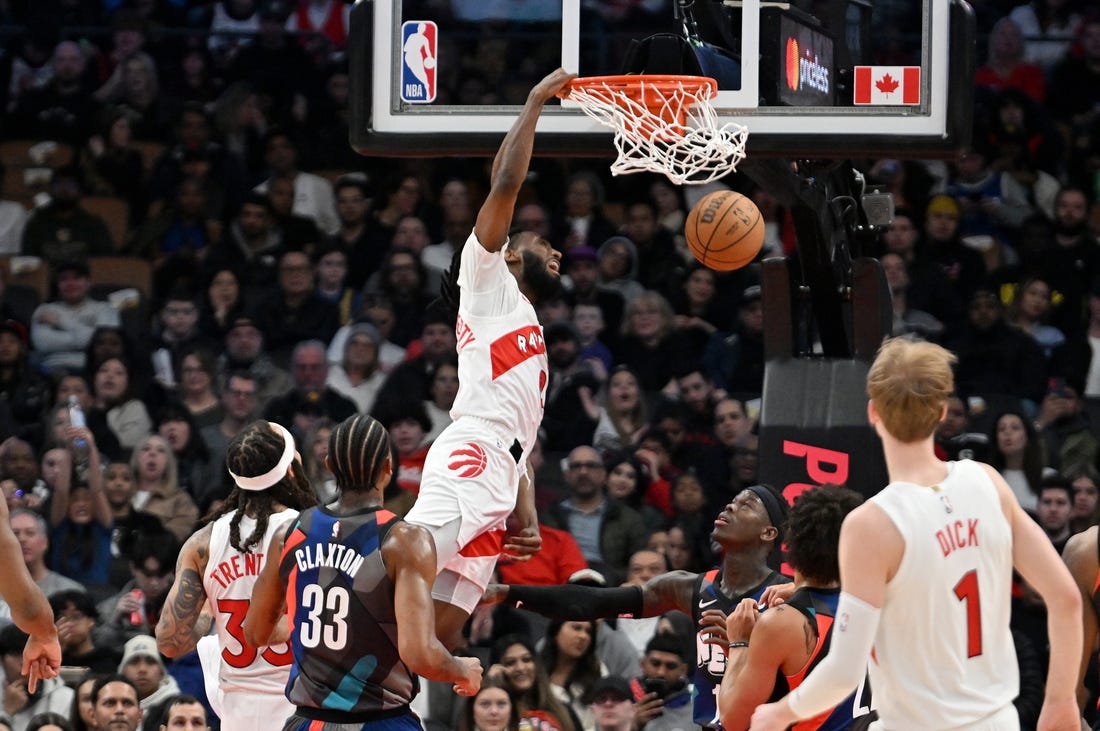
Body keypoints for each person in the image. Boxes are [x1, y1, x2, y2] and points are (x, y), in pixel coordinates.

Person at [749, 338, 1082, 731]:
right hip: (998, 720)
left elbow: (844, 671)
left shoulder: (872, 523)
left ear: (873, 412)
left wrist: (778, 713)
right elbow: (1066, 599)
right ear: (942, 412)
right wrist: (1061, 701)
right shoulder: (987, 482)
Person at [401, 68, 575, 650]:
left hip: (503, 471)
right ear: (508, 255)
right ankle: (331, 581)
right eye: (538, 242)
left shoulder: (529, 324)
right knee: (403, 572)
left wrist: (525, 509)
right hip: (472, 453)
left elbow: (520, 436)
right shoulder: (487, 280)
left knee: (435, 633)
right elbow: (505, 182)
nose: (554, 249)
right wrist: (533, 101)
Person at [242, 413, 481, 729]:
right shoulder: (403, 541)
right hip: (380, 720)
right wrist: (461, 669)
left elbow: (256, 632)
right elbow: (419, 654)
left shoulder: (290, 533)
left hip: (309, 722)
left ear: (329, 465)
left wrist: (309, 623)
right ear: (388, 468)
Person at [484, 483, 791, 729]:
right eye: (732, 501)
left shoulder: (785, 596)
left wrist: (745, 645)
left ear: (768, 533)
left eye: (747, 505)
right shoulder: (689, 587)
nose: (730, 506)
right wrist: (506, 592)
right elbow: (588, 603)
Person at [155, 420, 317, 731]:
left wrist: (210, 606)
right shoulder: (311, 533)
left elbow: (170, 643)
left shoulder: (203, 543)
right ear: (291, 469)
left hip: (236, 710)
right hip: (301, 705)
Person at [717, 485, 872, 731]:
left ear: (790, 544)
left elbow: (734, 720)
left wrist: (739, 643)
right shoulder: (879, 609)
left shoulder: (781, 624)